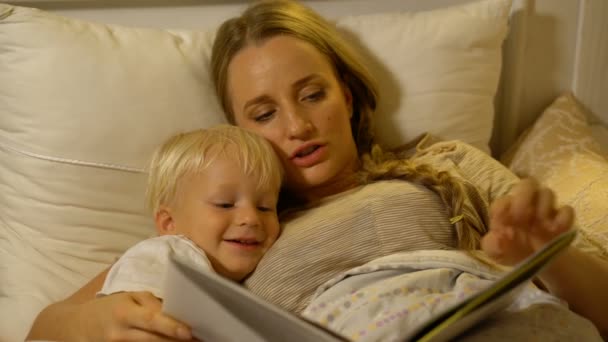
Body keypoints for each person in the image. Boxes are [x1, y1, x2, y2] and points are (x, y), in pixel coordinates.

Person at [27, 0, 608, 340]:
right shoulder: (228, 225)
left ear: (348, 97)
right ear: (237, 130)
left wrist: (551, 257)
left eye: (312, 95)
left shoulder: (443, 165)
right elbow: (42, 329)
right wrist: (88, 324)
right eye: (263, 113)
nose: (297, 126)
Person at [98, 125, 282, 300]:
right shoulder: (165, 255)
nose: (251, 218)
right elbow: (140, 318)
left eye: (265, 207)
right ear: (169, 223)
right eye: (224, 204)